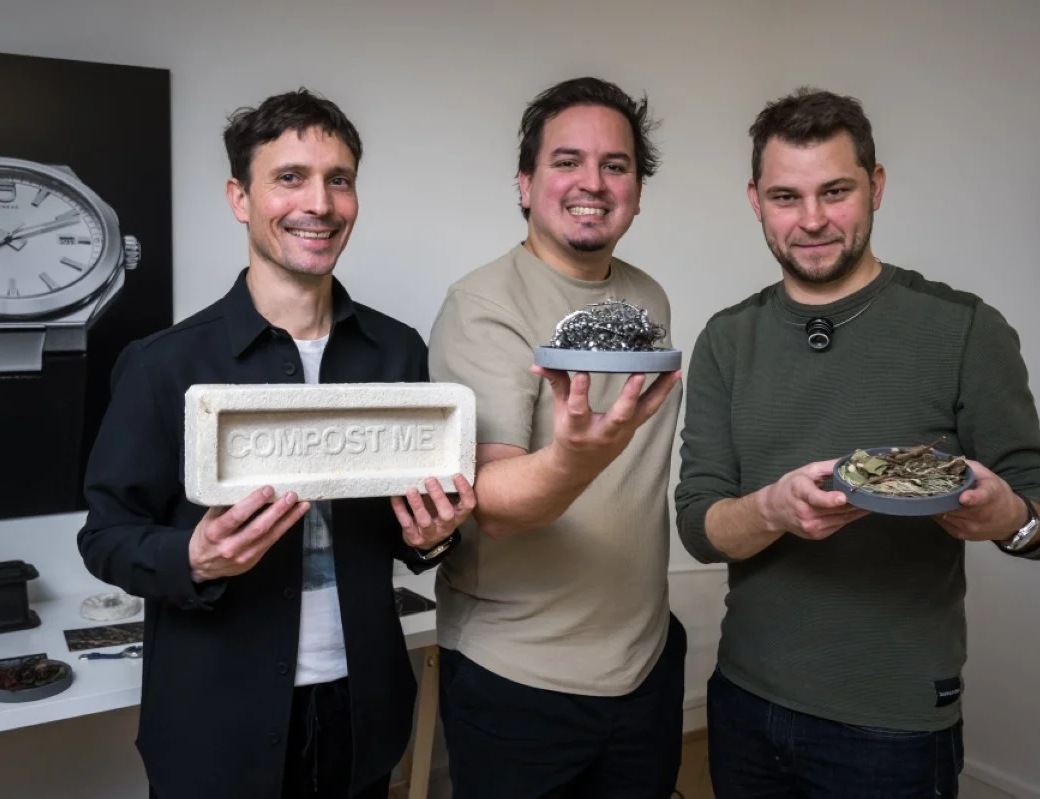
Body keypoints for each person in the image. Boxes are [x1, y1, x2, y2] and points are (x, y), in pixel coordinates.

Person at [676, 86, 1040, 798]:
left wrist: (1007, 517)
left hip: (892, 725)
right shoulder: (726, 338)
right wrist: (770, 508)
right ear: (754, 199)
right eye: (785, 196)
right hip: (743, 701)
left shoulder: (963, 328)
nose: (811, 220)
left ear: (877, 186)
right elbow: (700, 527)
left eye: (835, 191)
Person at [77, 88, 475, 799]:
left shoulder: (396, 351)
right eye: (289, 177)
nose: (318, 202)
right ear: (240, 197)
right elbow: (106, 537)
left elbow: (404, 530)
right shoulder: (162, 363)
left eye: (339, 178)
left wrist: (435, 536)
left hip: (364, 711)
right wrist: (193, 555)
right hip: (213, 728)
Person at [427, 76, 685, 799]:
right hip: (520, 677)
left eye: (617, 165)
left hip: (646, 662)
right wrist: (581, 456)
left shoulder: (648, 297)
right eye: (567, 161)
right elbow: (498, 505)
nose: (593, 183)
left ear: (637, 186)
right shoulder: (482, 305)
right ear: (525, 182)